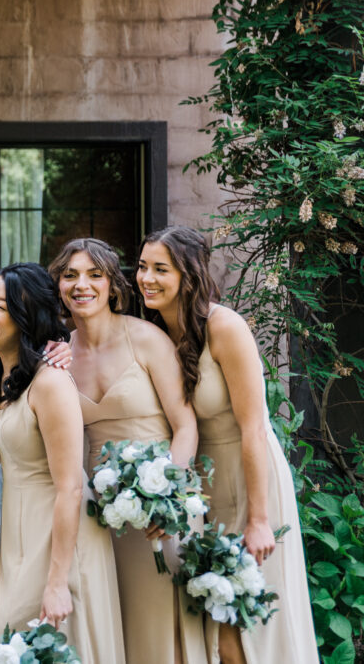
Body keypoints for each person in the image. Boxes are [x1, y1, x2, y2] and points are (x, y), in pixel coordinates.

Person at [137, 226, 318, 664]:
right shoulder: (154, 330)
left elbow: (255, 428)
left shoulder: (224, 327)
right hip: (202, 487)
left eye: (161, 269)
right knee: (211, 618)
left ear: (189, 275)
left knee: (245, 621)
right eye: (143, 267)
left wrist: (259, 519)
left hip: (249, 475)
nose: (147, 278)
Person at [48, 238, 207, 664]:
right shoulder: (58, 354)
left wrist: (167, 499)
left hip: (163, 505)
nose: (82, 285)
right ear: (59, 285)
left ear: (113, 284)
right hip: (102, 515)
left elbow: (186, 425)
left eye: (94, 275)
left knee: (163, 624)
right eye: (70, 275)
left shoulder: (147, 339)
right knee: (116, 627)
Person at [0, 263, 126, 664]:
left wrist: (58, 581)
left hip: (58, 532)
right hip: (18, 533)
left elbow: (71, 486)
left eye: (1, 307)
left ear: (26, 320)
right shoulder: (3, 374)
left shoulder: (50, 383)